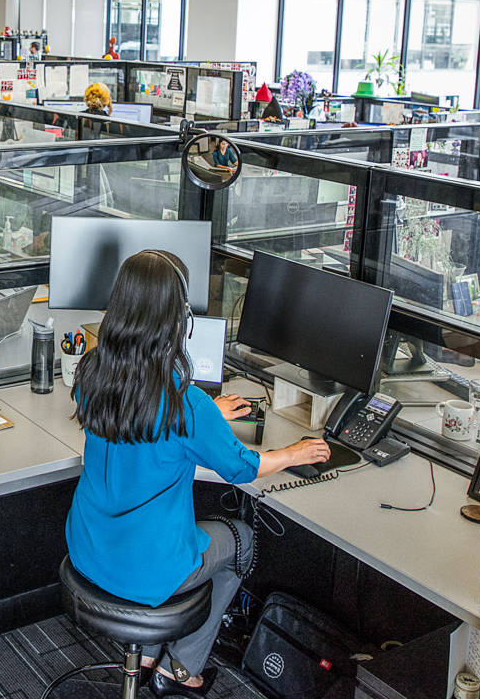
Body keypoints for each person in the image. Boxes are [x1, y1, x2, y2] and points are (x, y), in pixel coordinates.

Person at [66, 251, 329, 695]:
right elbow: (243, 468)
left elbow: (145, 423)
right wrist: (294, 451)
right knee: (242, 539)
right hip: (146, 570)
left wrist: (211, 417)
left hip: (88, 548)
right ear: (177, 318)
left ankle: (146, 654)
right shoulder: (187, 404)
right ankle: (180, 668)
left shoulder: (93, 372)